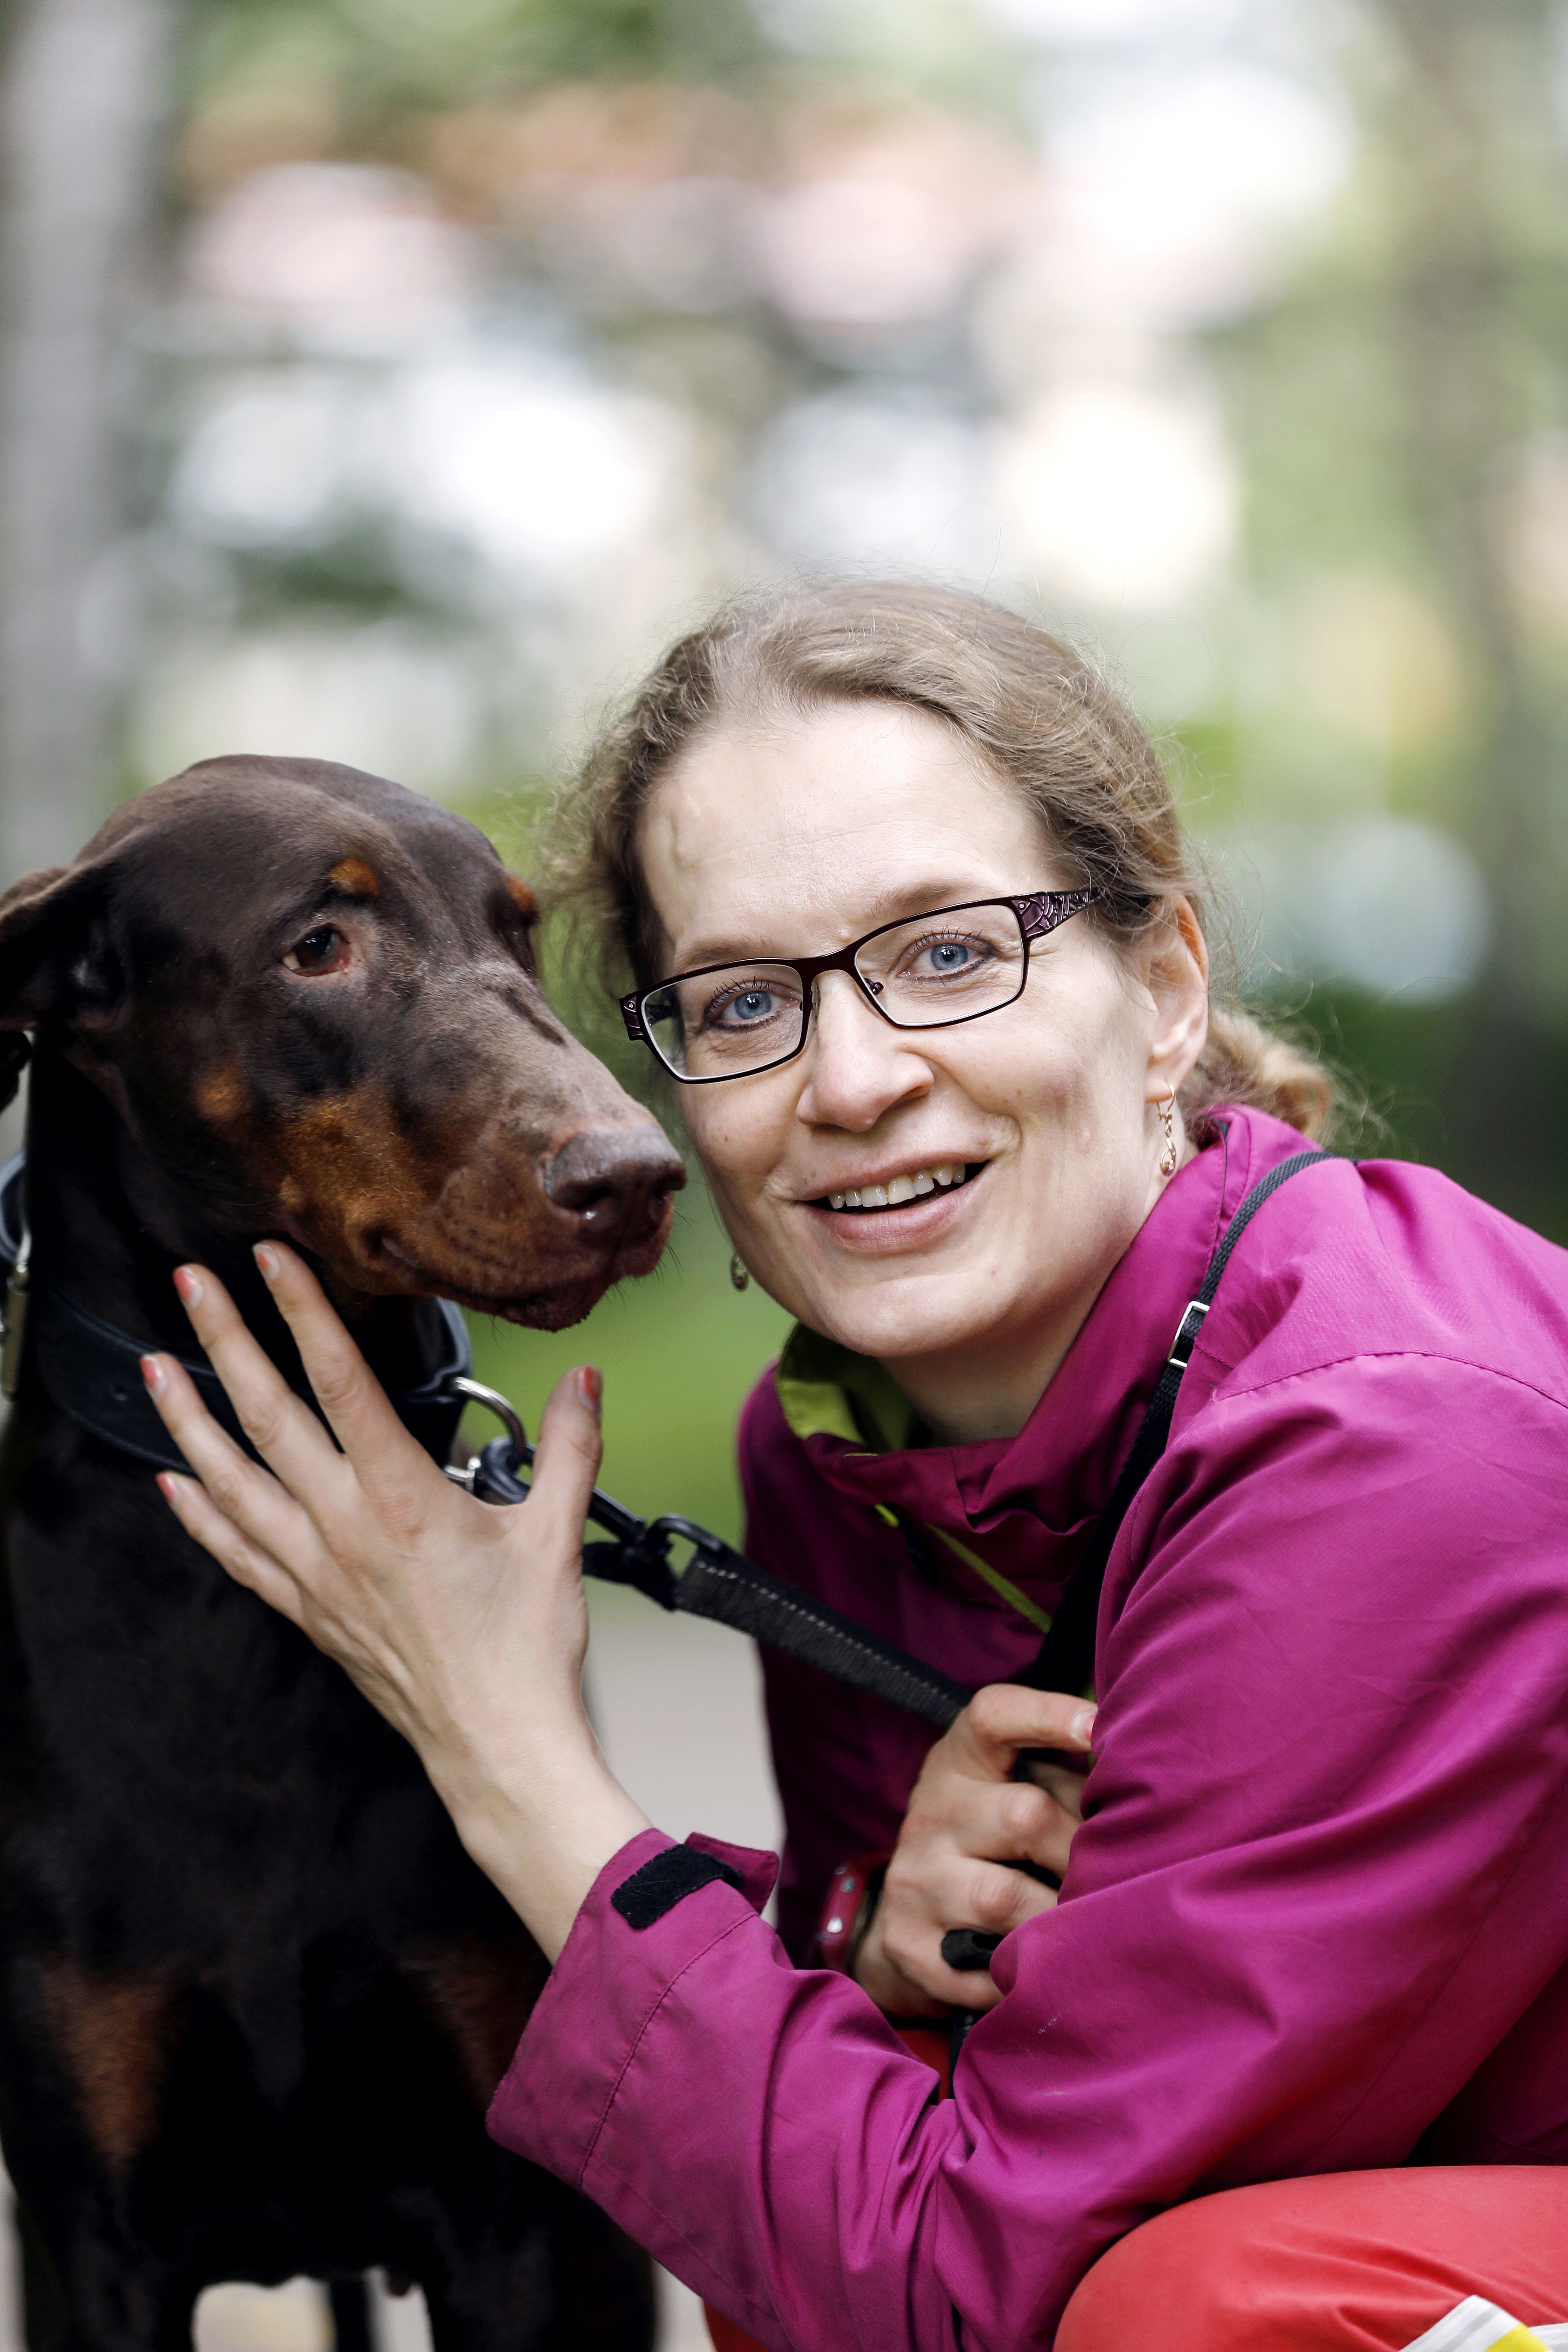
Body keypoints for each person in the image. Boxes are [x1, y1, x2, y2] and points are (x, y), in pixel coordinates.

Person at [137, 584, 1568, 2352]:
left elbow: (967, 2282)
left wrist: (504, 1743)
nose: (856, 1078)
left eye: (951, 953)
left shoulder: (1398, 1444)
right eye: (742, 1004)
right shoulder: (831, 1448)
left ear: (1168, 988)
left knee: (1200, 2315)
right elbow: (848, 2186)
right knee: (816, 2101)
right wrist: (861, 1928)